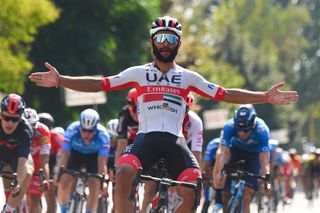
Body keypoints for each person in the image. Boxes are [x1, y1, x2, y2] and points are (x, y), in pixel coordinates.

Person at [29, 15, 298, 213]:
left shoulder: (187, 77)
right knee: (123, 171)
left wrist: (264, 97)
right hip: (146, 138)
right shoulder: (138, 73)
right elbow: (100, 84)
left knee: (194, 186)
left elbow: (225, 94)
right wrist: (62, 80)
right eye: (160, 38)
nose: (165, 44)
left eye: (171, 39)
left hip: (174, 141)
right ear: (152, 41)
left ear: (179, 43)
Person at [213, 105, 270, 213]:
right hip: (235, 152)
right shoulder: (229, 126)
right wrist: (221, 172)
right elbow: (224, 152)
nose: (242, 133)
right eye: (239, 129)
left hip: (254, 156)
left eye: (246, 129)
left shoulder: (262, 130)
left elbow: (264, 158)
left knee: (246, 195)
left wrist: (265, 176)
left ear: (253, 124)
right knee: (225, 194)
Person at [54, 109, 110, 213]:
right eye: (83, 130)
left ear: (96, 128)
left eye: (90, 131)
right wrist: (59, 173)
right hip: (75, 155)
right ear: (79, 127)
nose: (86, 134)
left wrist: (104, 181)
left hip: (94, 157)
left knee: (95, 184)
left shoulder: (103, 135)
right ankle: (63, 210)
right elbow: (65, 154)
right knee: (64, 180)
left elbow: (102, 160)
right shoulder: (72, 130)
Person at [0, 94, 34, 213]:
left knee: (28, 172)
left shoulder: (25, 130)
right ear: (1, 114)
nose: (10, 123)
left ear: (20, 118)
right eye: (6, 117)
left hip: (17, 156)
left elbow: (23, 161)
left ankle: (8, 209)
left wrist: (19, 183)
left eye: (14, 119)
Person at [23, 108, 51, 213]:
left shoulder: (43, 131)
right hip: (20, 161)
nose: (30, 130)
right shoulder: (16, 130)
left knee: (34, 199)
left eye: (32, 126)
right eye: (27, 126)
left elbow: (45, 159)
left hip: (37, 163)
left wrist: (46, 179)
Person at [38, 112, 64, 213]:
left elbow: (63, 154)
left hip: (54, 162)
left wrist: (57, 174)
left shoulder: (55, 136)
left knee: (50, 191)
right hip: (40, 161)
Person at [115, 88, 139, 163]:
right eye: (133, 107)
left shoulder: (150, 114)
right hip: (129, 143)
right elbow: (122, 143)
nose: (135, 113)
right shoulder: (124, 114)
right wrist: (117, 166)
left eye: (138, 108)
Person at [201, 134, 222, 213]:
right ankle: (206, 204)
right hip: (212, 168)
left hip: (225, 169)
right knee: (207, 200)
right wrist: (205, 180)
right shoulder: (213, 144)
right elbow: (206, 165)